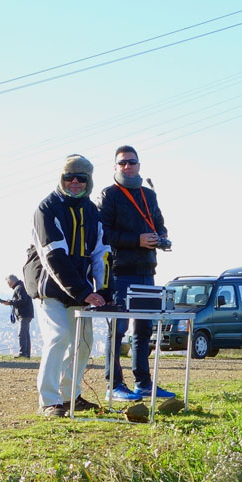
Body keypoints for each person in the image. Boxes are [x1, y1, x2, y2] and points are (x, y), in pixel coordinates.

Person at [24, 155, 113, 417]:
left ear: (89, 181)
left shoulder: (92, 211)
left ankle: (70, 396)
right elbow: (54, 255)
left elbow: (102, 253)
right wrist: (84, 292)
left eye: (81, 178)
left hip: (79, 290)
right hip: (48, 287)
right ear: (61, 178)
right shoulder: (46, 208)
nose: (75, 182)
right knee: (58, 336)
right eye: (68, 177)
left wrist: (104, 290)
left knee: (83, 342)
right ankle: (49, 401)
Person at [97, 146, 174, 401]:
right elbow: (103, 234)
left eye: (131, 162)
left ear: (139, 165)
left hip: (146, 270)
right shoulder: (108, 195)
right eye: (122, 163)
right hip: (120, 272)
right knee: (117, 330)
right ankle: (114, 385)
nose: (127, 166)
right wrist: (136, 240)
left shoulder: (148, 194)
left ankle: (144, 384)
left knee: (143, 329)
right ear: (115, 167)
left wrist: (161, 237)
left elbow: (159, 223)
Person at [0, 274, 34, 358]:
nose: (8, 285)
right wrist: (11, 302)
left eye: (8, 283)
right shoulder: (21, 286)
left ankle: (23, 353)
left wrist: (10, 302)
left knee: (22, 334)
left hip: (24, 314)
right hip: (26, 313)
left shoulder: (19, 287)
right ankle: (26, 354)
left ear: (11, 281)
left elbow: (23, 300)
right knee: (25, 334)